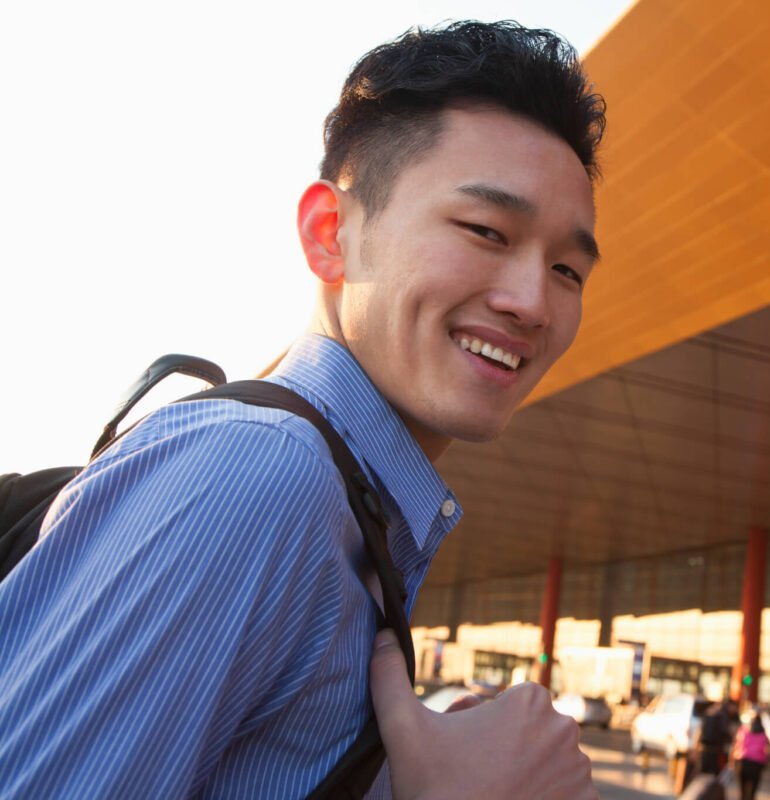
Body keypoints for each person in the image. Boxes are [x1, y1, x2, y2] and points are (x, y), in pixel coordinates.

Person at [0, 20, 604, 798]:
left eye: (567, 270)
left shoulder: (353, 511)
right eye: (486, 230)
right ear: (330, 235)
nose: (533, 303)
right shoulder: (261, 476)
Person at [732, 712, 770, 800]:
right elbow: (769, 749)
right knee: (753, 789)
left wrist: (732, 760)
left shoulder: (743, 730)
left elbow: (736, 745)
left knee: (742, 789)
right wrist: (767, 761)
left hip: (742, 761)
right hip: (757, 763)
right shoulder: (763, 734)